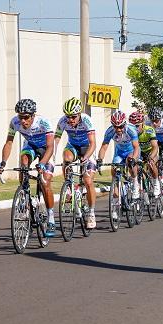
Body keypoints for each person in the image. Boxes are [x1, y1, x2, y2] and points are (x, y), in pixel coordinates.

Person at [0, 99, 56, 237]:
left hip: (46, 149)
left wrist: (42, 164)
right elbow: (9, 143)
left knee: (45, 182)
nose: (23, 121)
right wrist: (3, 162)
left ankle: (51, 218)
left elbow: (51, 147)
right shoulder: (14, 122)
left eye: (26, 117)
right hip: (30, 145)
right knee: (23, 163)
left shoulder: (43, 123)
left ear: (33, 115)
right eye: (20, 117)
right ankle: (25, 194)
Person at [54, 97, 97, 228]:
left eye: (73, 117)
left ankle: (91, 212)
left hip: (87, 148)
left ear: (79, 114)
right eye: (68, 117)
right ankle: (69, 186)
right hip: (72, 146)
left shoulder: (87, 121)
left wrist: (86, 157)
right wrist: (52, 156)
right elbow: (55, 139)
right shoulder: (62, 121)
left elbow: (93, 143)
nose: (70, 120)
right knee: (66, 158)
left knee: (88, 181)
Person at [97, 110, 140, 219]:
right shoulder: (110, 131)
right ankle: (115, 205)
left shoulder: (131, 129)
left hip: (131, 151)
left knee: (130, 162)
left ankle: (135, 182)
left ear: (124, 124)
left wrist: (134, 159)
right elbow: (104, 146)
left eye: (120, 127)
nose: (118, 129)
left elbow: (136, 147)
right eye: (116, 127)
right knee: (114, 172)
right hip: (119, 152)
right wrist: (100, 160)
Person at [128, 111, 160, 196]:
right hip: (140, 152)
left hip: (150, 151)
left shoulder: (149, 130)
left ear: (143, 123)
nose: (135, 128)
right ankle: (140, 187)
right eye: (132, 126)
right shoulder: (130, 133)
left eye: (137, 126)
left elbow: (155, 147)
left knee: (151, 163)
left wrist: (151, 157)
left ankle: (156, 182)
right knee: (134, 165)